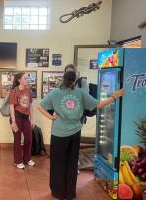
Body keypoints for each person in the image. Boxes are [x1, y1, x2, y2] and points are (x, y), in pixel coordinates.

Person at [38, 71, 125, 200]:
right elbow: (99, 104)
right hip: (75, 133)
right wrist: (113, 97)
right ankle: (69, 194)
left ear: (63, 79)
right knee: (72, 163)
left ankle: (58, 193)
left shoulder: (55, 93)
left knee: (57, 163)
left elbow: (40, 106)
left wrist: (51, 117)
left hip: (58, 133)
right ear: (74, 80)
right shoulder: (81, 93)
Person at [9, 72, 35, 169]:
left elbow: (31, 105)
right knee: (17, 139)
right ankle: (18, 161)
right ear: (19, 80)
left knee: (29, 138)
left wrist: (32, 119)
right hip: (16, 117)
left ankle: (27, 159)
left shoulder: (28, 91)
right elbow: (11, 106)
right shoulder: (14, 91)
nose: (27, 80)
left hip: (25, 118)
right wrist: (13, 121)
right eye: (25, 78)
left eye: (27, 78)